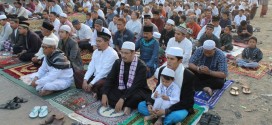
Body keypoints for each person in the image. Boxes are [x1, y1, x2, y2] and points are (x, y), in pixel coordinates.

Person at [138, 47, 195, 125]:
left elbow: (188, 101)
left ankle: (158, 117)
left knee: (176, 116)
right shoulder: (162, 70)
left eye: (172, 59)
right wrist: (150, 104)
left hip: (176, 106)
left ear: (180, 61)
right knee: (141, 105)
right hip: (160, 102)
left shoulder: (188, 75)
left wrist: (166, 110)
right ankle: (160, 117)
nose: (168, 61)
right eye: (167, 58)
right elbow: (157, 89)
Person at [101, 41, 151, 115]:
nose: (123, 55)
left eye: (126, 53)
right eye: (122, 52)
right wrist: (104, 94)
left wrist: (122, 99)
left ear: (133, 53)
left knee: (137, 98)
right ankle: (127, 105)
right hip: (122, 88)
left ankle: (127, 105)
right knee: (103, 89)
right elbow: (110, 78)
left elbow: (135, 86)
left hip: (136, 90)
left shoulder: (141, 66)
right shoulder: (118, 62)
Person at [80, 31, 119, 99]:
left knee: (100, 84)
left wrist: (91, 83)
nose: (97, 43)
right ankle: (93, 90)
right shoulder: (95, 52)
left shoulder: (112, 54)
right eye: (96, 41)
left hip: (105, 77)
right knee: (78, 74)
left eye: (99, 41)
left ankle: (94, 90)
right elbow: (91, 67)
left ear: (107, 42)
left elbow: (104, 72)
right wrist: (85, 80)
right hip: (95, 76)